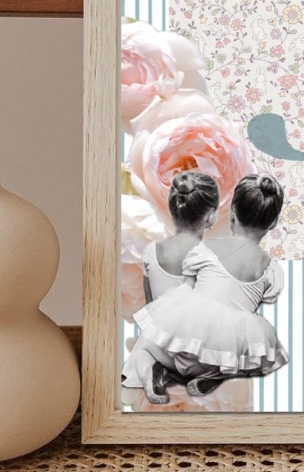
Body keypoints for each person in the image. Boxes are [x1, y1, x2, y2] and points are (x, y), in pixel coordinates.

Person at [125, 174, 288, 404]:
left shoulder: (205, 249)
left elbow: (185, 297)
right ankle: (217, 375)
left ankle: (153, 374)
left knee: (144, 349)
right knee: (261, 356)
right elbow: (265, 298)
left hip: (185, 353)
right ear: (273, 223)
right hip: (223, 359)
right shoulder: (270, 269)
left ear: (232, 214)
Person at [122, 170, 219, 404]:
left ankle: (153, 373)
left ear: (172, 210)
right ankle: (204, 376)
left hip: (162, 347)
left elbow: (150, 306)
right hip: (197, 353)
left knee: (142, 352)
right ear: (210, 217)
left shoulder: (151, 252)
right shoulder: (212, 257)